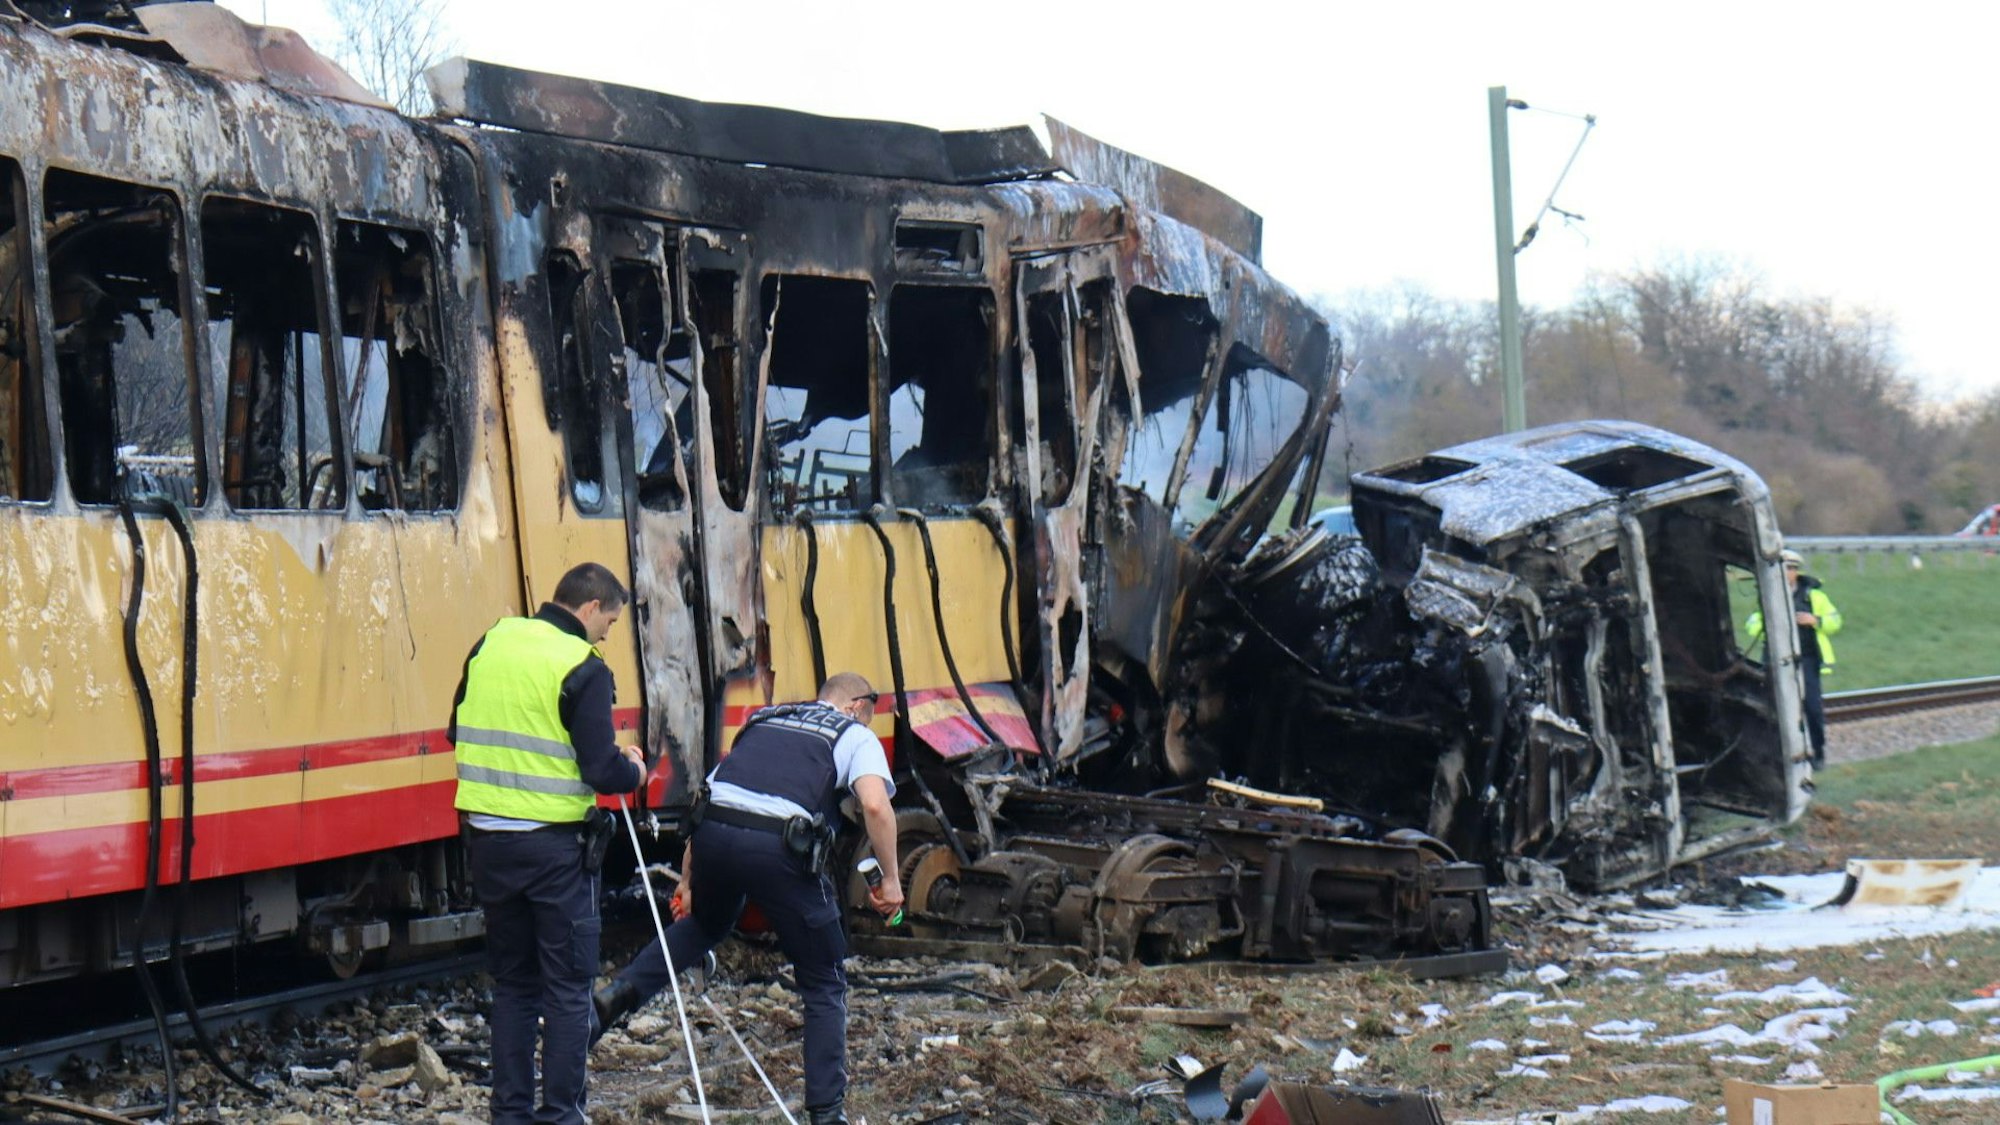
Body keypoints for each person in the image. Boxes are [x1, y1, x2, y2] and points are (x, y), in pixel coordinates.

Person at [593, 672, 905, 1125]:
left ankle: (612, 1000)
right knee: (822, 978)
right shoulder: (854, 735)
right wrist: (891, 878)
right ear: (857, 705)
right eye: (871, 714)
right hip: (780, 847)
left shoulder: (764, 722)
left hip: (715, 836)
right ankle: (826, 1113)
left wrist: (687, 882)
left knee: (703, 925)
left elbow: (715, 799)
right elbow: (875, 806)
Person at [450, 562, 645, 1125]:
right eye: (608, 620)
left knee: (513, 986)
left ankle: (509, 1114)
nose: (607, 632)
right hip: (554, 853)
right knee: (567, 990)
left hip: (489, 844)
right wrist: (632, 770)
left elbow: (459, 732)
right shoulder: (581, 666)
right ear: (588, 609)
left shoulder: (493, 641)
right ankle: (562, 1116)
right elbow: (601, 770)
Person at [1747, 548, 1843, 768]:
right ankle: (1778, 755)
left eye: (1792, 568)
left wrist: (1815, 620)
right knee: (1774, 708)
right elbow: (1752, 624)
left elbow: (1836, 621)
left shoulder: (1814, 596)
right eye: (1785, 568)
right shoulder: (1769, 594)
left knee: (1811, 707)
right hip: (1776, 659)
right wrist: (1767, 622)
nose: (1788, 572)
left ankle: (1817, 752)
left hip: (1807, 658)